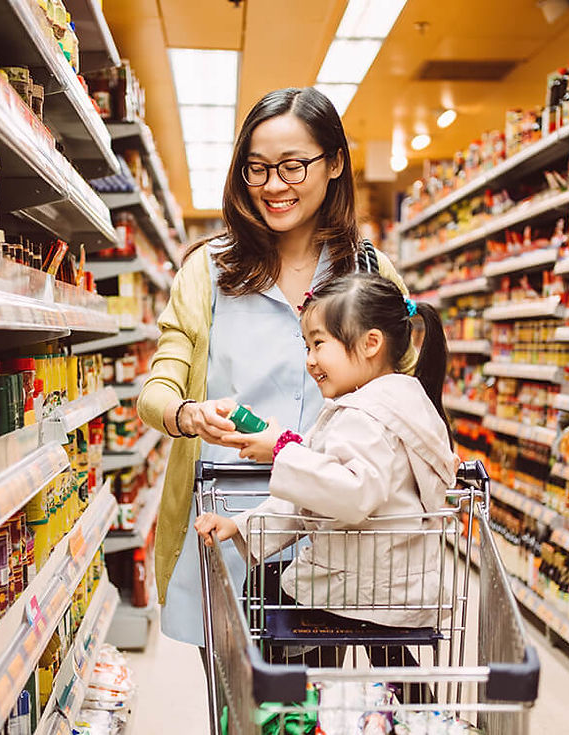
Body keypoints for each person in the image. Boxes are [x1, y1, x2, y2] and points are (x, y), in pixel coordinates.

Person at [136, 87, 417, 656]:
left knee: (324, 702)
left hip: (338, 524)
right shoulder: (207, 271)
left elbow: (405, 392)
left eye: (292, 166)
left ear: (334, 163)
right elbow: (158, 386)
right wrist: (187, 413)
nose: (272, 185)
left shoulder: (369, 272)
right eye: (257, 168)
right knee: (242, 701)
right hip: (225, 523)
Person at [194, 272, 458, 646]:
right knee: (395, 668)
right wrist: (242, 524)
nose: (310, 360)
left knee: (264, 592)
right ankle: (411, 703)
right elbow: (318, 497)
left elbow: (349, 495)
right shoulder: (402, 400)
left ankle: (280, 699)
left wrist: (283, 449)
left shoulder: (366, 417)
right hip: (395, 582)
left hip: (367, 589)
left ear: (370, 344)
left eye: (318, 344)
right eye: (306, 347)